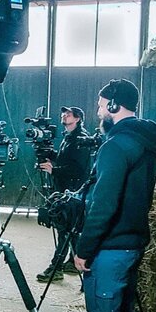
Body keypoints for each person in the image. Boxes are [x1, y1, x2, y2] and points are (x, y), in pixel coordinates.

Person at [73, 79, 156, 312]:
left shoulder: (115, 145)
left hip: (110, 248)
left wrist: (84, 249)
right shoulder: (145, 142)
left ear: (113, 106)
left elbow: (103, 204)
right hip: (133, 242)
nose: (98, 111)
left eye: (100, 105)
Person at [35, 106, 91, 282]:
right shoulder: (68, 137)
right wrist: (48, 153)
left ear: (78, 118)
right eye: (63, 114)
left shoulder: (81, 139)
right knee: (71, 229)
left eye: (68, 114)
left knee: (63, 229)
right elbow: (64, 158)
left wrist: (54, 171)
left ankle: (55, 268)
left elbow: (78, 169)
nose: (64, 116)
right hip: (65, 188)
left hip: (73, 190)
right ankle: (73, 263)